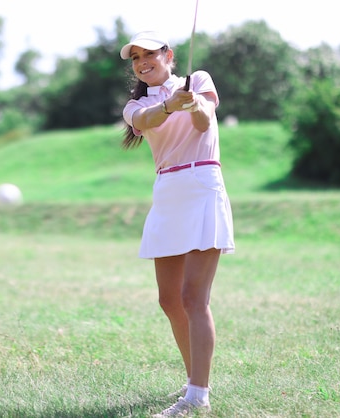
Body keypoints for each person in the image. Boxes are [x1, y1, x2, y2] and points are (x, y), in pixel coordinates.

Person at [119, 31, 235, 417]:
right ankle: (192, 383)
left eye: (149, 53)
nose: (141, 62)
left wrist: (192, 103)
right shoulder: (135, 105)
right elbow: (148, 118)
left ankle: (198, 396)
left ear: (168, 55)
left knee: (193, 297)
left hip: (202, 184)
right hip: (167, 190)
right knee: (169, 300)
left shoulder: (197, 80)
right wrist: (171, 106)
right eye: (135, 58)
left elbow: (204, 123)